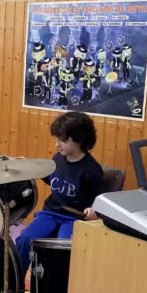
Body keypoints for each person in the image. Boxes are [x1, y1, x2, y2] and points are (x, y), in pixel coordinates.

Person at [15, 112, 103, 277]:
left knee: (63, 249)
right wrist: (28, 166)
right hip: (50, 213)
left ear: (79, 139)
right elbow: (51, 178)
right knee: (26, 239)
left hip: (74, 219)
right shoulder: (58, 158)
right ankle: (16, 284)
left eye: (62, 140)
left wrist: (93, 211)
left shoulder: (92, 170)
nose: (57, 144)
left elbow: (97, 201)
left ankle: (59, 292)